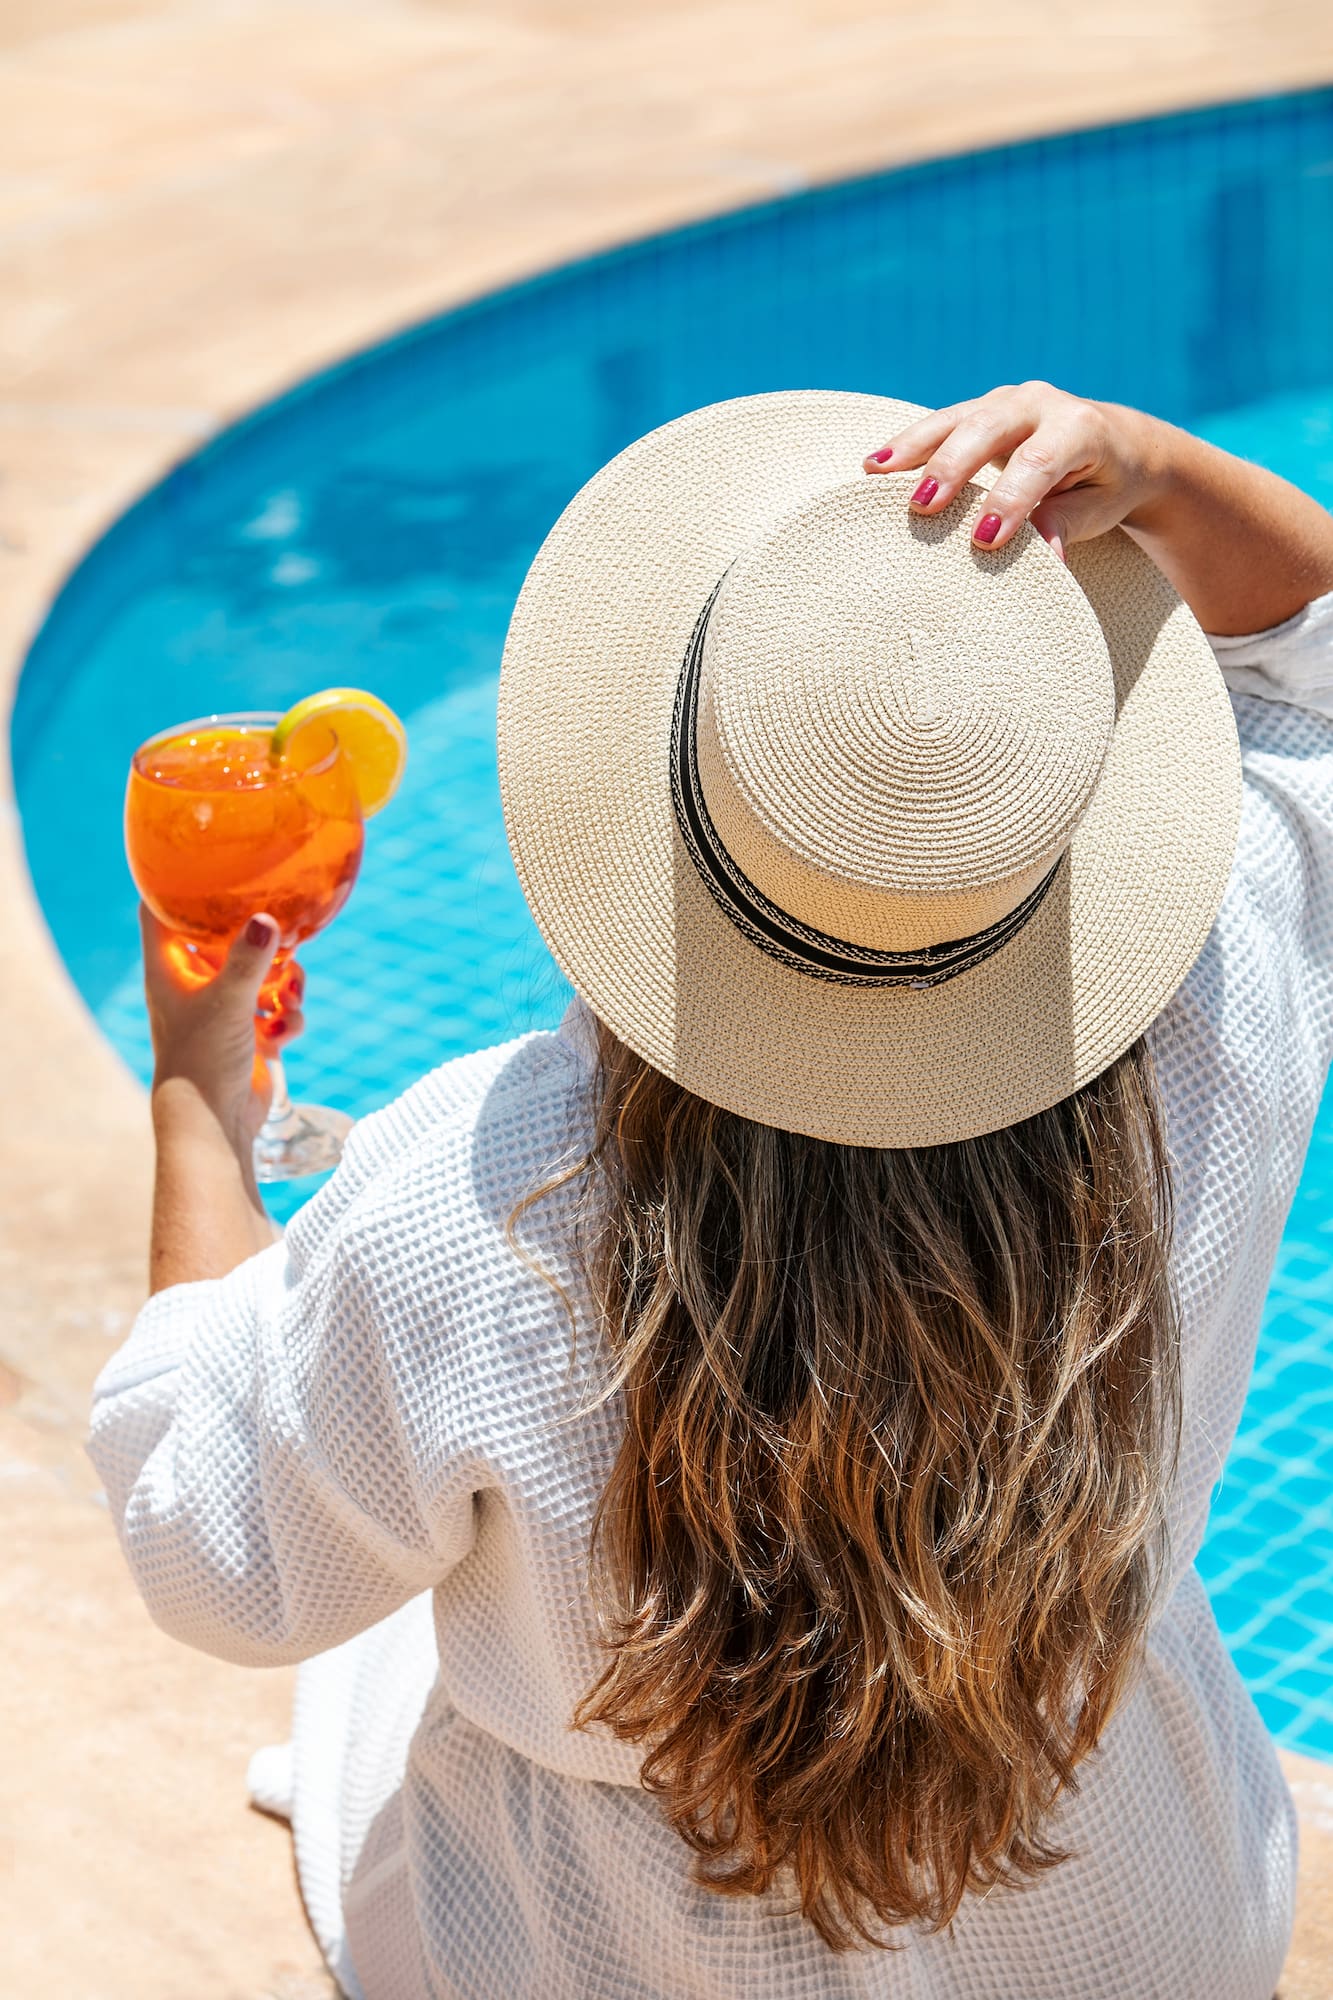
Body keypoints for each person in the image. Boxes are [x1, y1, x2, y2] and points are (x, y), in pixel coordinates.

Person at [90, 381, 1333, 2000]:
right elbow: (1305, 656)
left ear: (658, 805)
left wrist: (198, 1087)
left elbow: (215, 1549)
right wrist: (1157, 467)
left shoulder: (485, 1206)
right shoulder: (1221, 1009)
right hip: (1129, 1934)